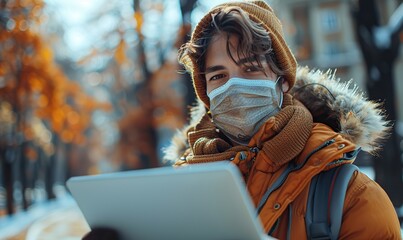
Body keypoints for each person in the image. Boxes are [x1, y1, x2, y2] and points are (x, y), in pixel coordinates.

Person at [83, 0, 401, 239]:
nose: (234, 86)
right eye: (219, 75)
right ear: (206, 94)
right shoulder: (179, 194)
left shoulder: (353, 198)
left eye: (250, 68)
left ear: (284, 80)